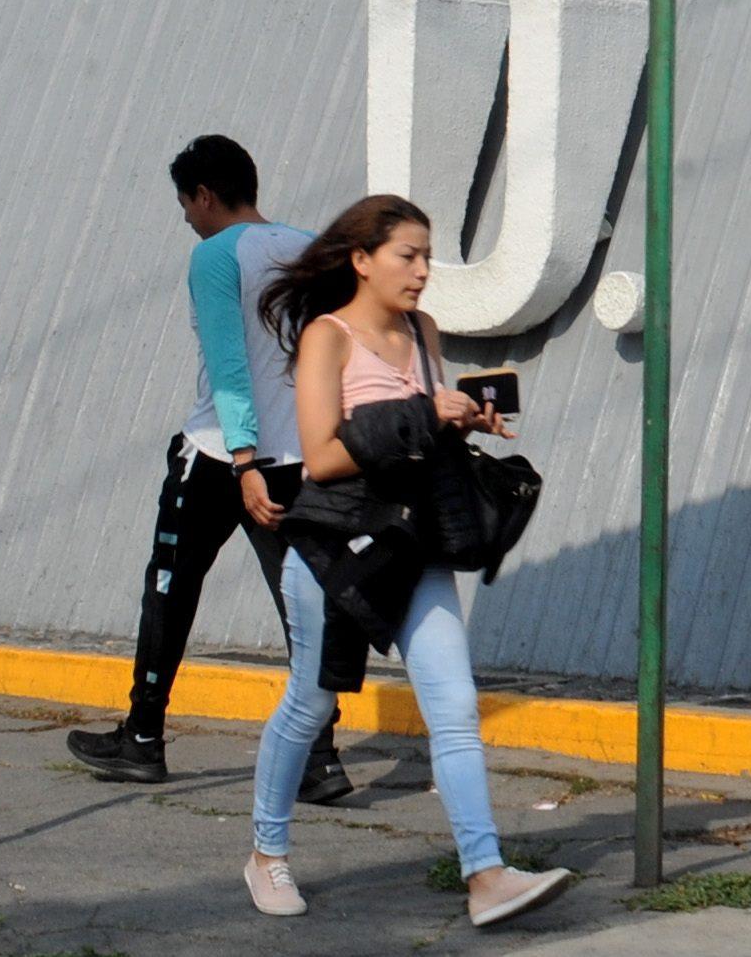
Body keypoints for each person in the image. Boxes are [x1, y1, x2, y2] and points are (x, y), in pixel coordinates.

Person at [243, 194, 573, 925]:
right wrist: (426, 413)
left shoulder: (424, 333)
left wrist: (462, 417)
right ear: (362, 259)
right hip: (337, 550)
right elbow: (323, 456)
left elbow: (417, 438)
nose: (423, 271)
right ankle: (266, 854)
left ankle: (485, 875)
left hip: (414, 542)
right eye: (408, 255)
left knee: (453, 708)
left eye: (427, 256)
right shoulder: (327, 338)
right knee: (312, 701)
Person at [66, 136, 352, 804]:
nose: (186, 218)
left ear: (204, 194)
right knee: (304, 606)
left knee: (170, 585)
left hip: (223, 457)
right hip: (301, 457)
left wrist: (245, 459)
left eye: (185, 204)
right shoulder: (314, 249)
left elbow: (228, 367)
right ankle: (321, 757)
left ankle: (141, 737)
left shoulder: (215, 255)